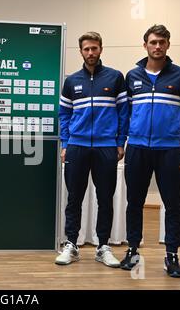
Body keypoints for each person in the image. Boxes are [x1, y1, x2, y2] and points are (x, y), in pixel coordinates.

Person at [120, 25, 180, 278]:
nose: (157, 46)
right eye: (153, 42)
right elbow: (126, 111)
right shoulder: (132, 76)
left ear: (168, 45)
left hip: (169, 150)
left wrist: (170, 131)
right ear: (145, 45)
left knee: (173, 204)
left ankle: (172, 255)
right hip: (138, 148)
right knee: (134, 203)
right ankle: (132, 250)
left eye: (162, 42)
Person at [56, 32, 129, 267]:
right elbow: (64, 115)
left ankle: (103, 246)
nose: (91, 53)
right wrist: (66, 143)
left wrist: (120, 142)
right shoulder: (71, 81)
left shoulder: (115, 78)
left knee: (105, 198)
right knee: (74, 198)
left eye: (94, 48)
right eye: (86, 49)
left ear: (101, 49)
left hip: (106, 147)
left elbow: (124, 113)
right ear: (81, 51)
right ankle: (72, 245)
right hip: (76, 147)